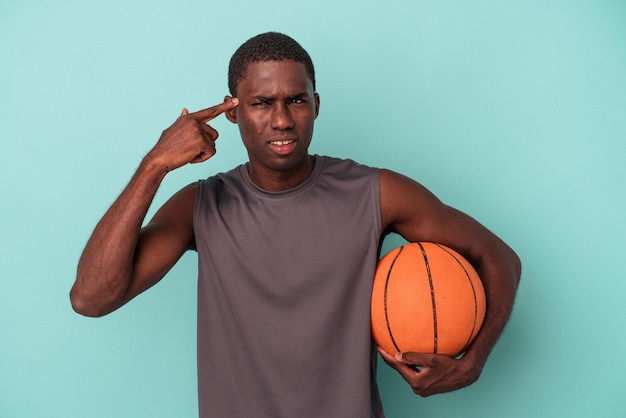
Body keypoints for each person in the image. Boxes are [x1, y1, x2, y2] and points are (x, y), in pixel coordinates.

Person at [70, 32, 521, 417]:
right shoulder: (200, 205)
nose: (282, 120)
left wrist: (472, 362)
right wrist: (154, 166)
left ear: (316, 105)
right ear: (233, 112)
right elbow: (91, 298)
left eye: (296, 101)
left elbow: (498, 257)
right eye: (261, 103)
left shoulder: (376, 193)